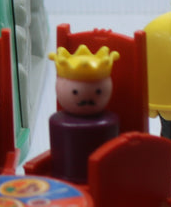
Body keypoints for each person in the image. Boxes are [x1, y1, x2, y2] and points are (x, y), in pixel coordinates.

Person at [48, 45, 121, 184]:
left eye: (98, 91)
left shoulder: (109, 122)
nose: (87, 100)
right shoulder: (59, 122)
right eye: (75, 92)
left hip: (105, 181)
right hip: (64, 181)